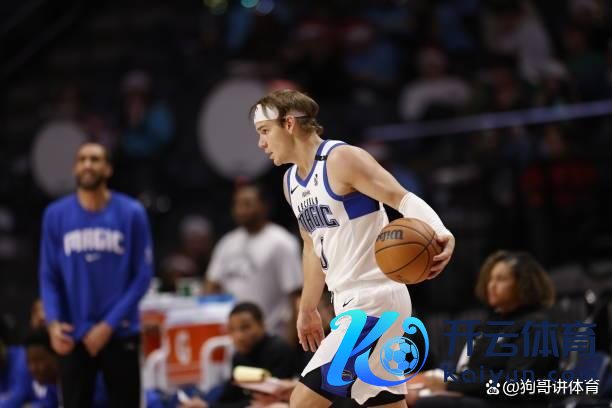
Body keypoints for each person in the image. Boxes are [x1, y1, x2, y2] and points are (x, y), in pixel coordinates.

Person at [250, 89, 455, 407]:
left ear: (289, 124)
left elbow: (400, 197)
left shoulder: (340, 159)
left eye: (265, 131)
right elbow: (311, 247)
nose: (261, 143)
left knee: (302, 402)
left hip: (374, 302)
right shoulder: (291, 183)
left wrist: (440, 231)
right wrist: (307, 308)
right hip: (349, 303)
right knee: (385, 404)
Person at [39, 142, 153, 407]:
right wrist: (53, 323)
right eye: (82, 159)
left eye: (95, 159)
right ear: (75, 168)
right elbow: (48, 275)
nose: (87, 165)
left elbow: (143, 276)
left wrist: (107, 326)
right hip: (72, 332)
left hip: (120, 331)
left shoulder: (132, 213)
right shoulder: (55, 215)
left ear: (108, 168)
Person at [407, 250, 558, 408]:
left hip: (509, 403)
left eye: (501, 279)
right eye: (490, 279)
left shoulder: (536, 326)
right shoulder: (490, 325)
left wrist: (452, 386)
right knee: (400, 391)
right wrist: (440, 383)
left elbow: (516, 385)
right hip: (479, 397)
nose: (491, 285)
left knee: (426, 403)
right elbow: (470, 373)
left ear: (524, 284)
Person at [203, 183, 302, 338]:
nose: (241, 210)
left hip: (270, 333)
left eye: (247, 204)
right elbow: (211, 285)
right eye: (237, 204)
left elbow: (295, 294)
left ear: (264, 207)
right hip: (232, 335)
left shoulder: (281, 242)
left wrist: (292, 340)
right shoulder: (227, 242)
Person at [177, 302, 296, 408]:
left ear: (262, 325)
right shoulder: (238, 357)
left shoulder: (279, 350)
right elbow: (229, 395)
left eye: (245, 327)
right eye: (232, 330)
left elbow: (264, 401)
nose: (239, 336)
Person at [24, 329, 108, 408]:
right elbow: (46, 404)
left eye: (38, 360)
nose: (33, 368)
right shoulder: (52, 386)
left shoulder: (90, 381)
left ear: (57, 356)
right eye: (29, 361)